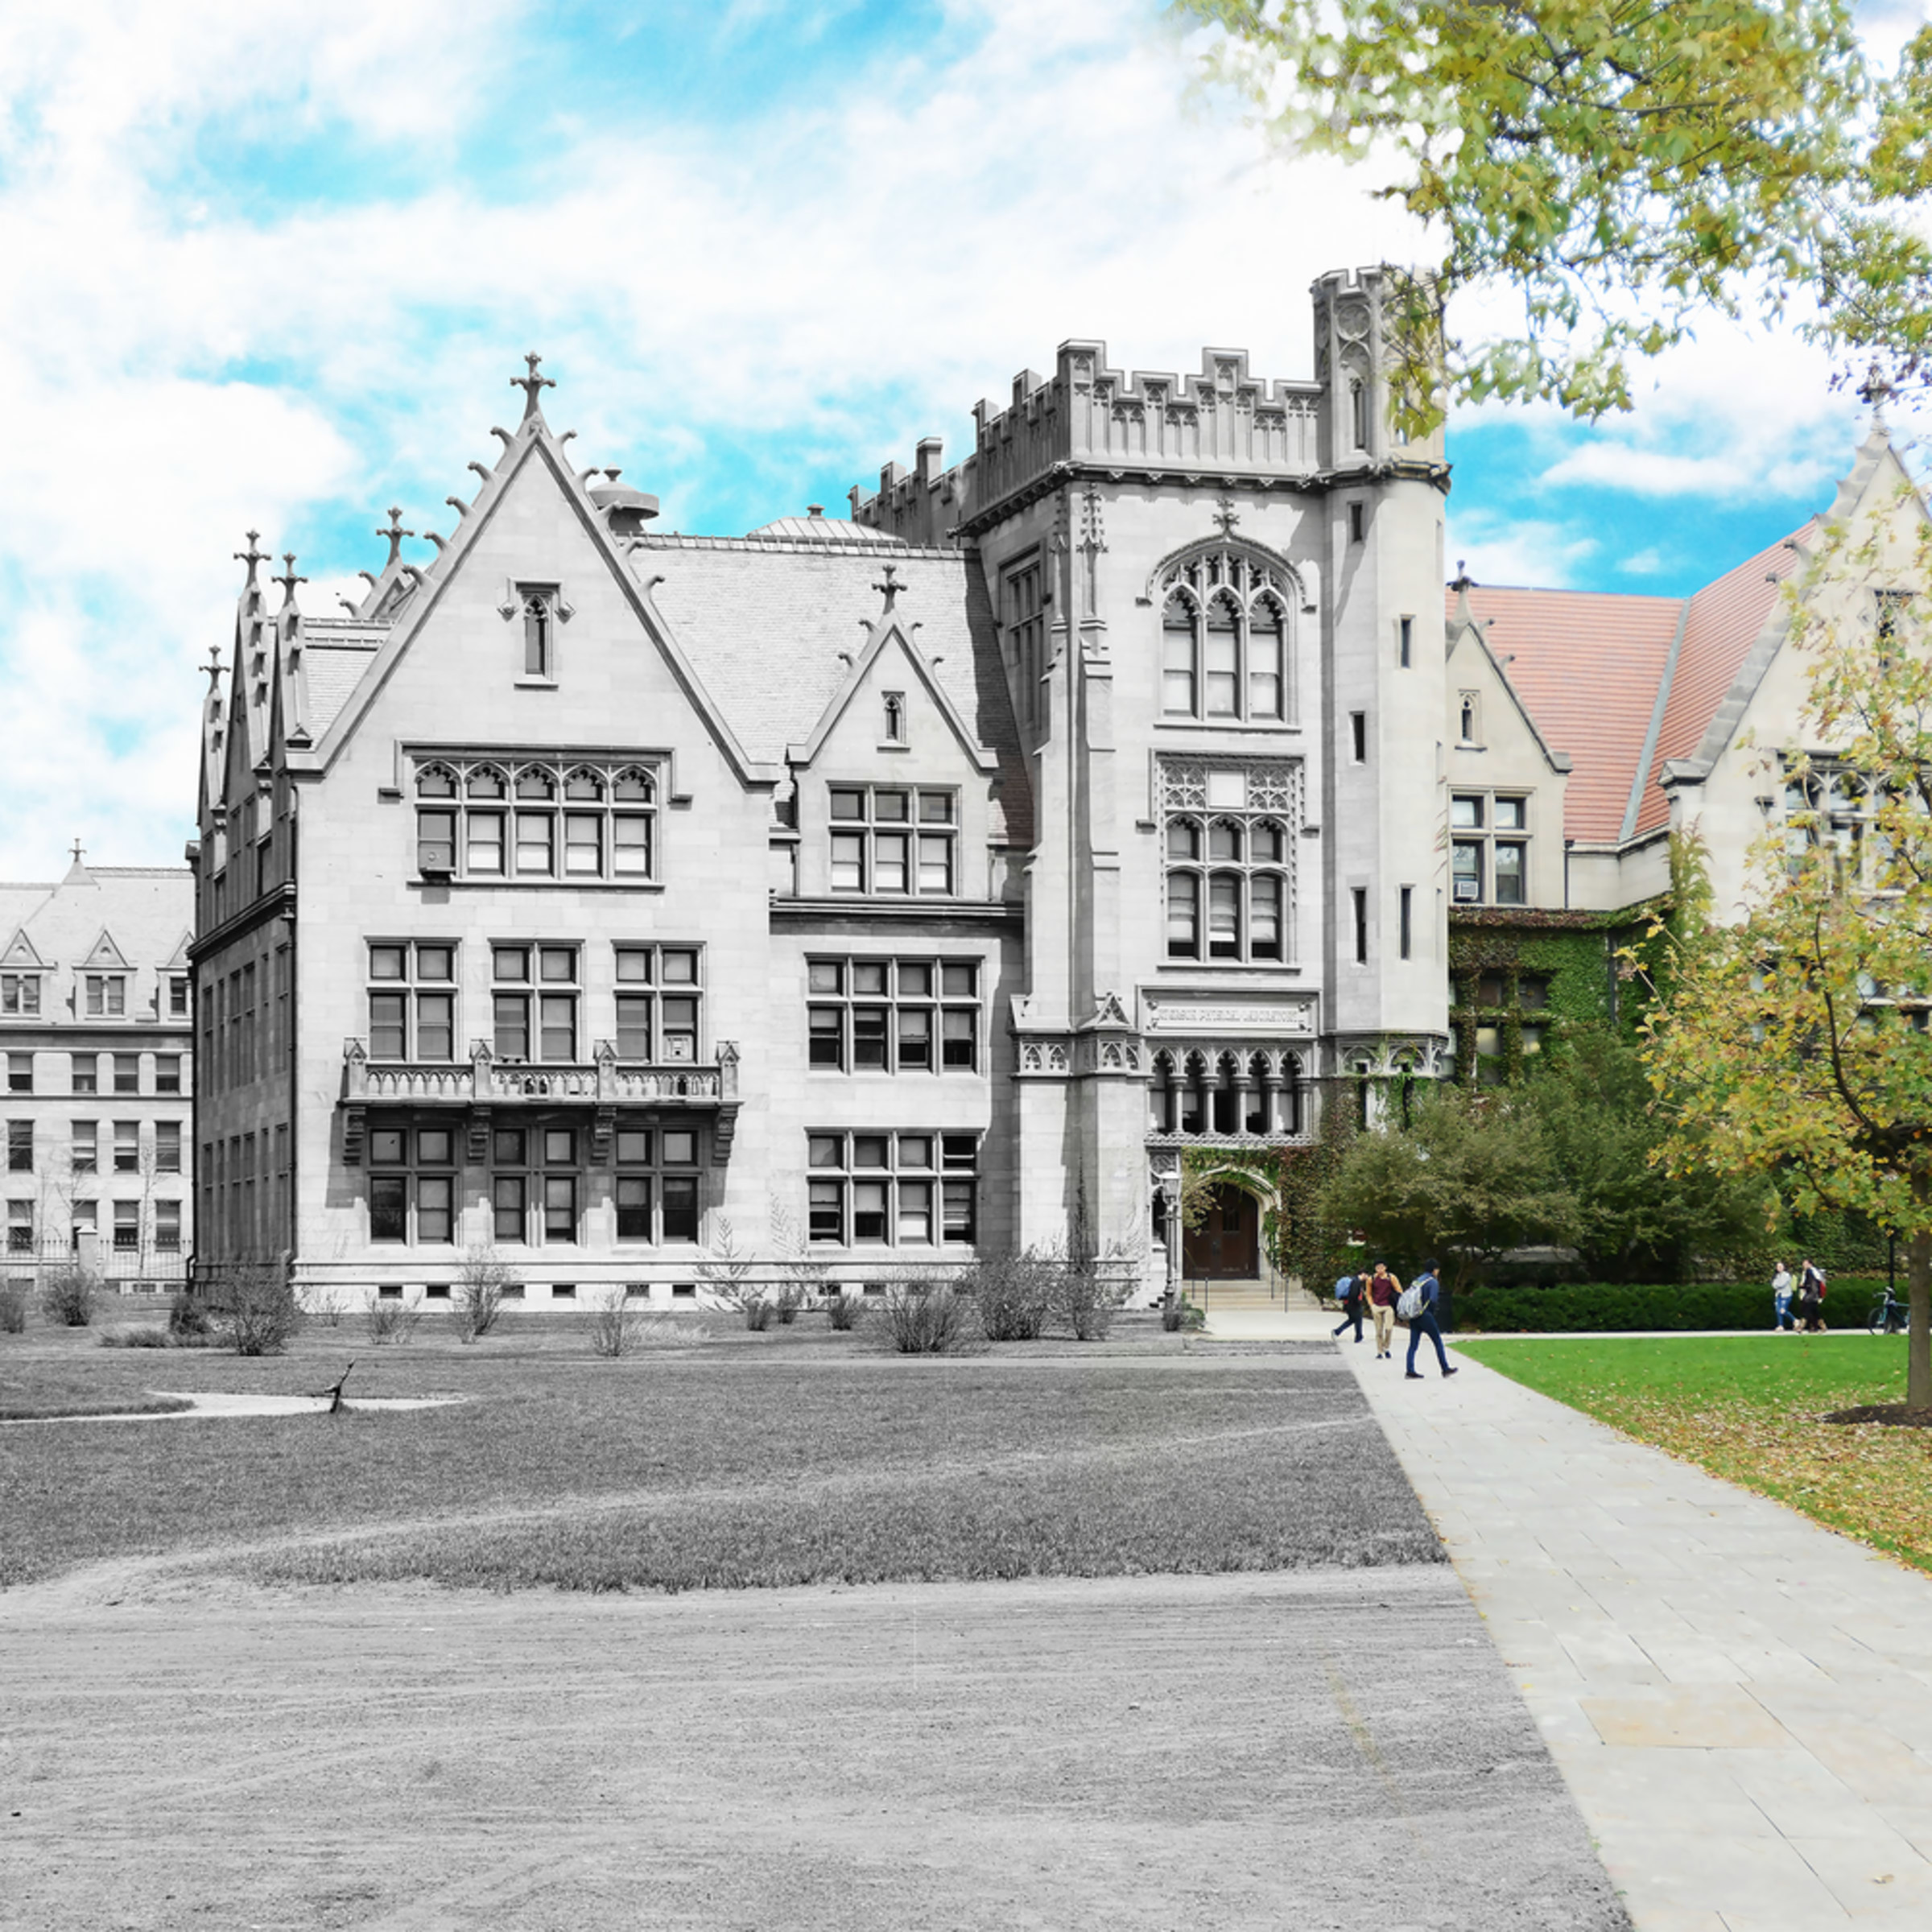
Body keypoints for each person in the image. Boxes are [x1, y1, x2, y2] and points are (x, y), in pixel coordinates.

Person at [1404, 1258, 1458, 1380]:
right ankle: (1445, 1368)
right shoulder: (1432, 1281)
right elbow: (1433, 1299)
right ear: (1435, 1270)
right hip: (1425, 1314)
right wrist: (1431, 1313)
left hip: (1414, 1314)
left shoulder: (1418, 1280)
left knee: (1413, 1344)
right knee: (1437, 1341)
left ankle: (1410, 1370)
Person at [1367, 1261, 1400, 1359]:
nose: (1379, 1269)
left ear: (1385, 1268)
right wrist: (1371, 1305)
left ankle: (1386, 1347)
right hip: (1377, 1305)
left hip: (1388, 1305)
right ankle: (1379, 1351)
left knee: (1389, 1328)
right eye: (1377, 1267)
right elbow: (1368, 1293)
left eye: (1381, 1267)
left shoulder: (1391, 1278)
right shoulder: (1371, 1279)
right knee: (1378, 1330)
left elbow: (1399, 1290)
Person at [1331, 1269, 1367, 1343]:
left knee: (1353, 1320)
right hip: (1353, 1305)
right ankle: (1358, 1337)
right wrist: (1358, 1302)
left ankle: (1337, 1332)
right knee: (1358, 1320)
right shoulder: (1356, 1282)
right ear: (1363, 1274)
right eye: (1366, 1275)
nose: (1367, 1277)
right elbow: (1353, 1295)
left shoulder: (1355, 1281)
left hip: (1349, 1304)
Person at [1798, 1257, 1827, 1332]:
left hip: (1810, 1295)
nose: (1803, 1265)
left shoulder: (1809, 1272)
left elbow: (1809, 1284)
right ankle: (1820, 1326)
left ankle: (1801, 1327)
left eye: (1805, 1264)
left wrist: (1801, 1286)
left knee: (1806, 1310)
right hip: (1816, 1295)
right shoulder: (1817, 1272)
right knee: (1815, 1311)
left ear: (1810, 1264)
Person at [1771, 1260, 1794, 1332]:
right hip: (1779, 1295)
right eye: (1778, 1267)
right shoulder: (1777, 1276)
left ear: (1784, 1267)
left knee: (1783, 1311)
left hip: (1786, 1295)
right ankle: (1780, 1325)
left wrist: (1777, 1285)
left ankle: (1795, 1320)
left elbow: (1781, 1284)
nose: (1779, 1268)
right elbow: (1774, 1284)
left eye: (1780, 1266)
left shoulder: (1786, 1275)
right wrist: (1777, 1285)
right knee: (1778, 1310)